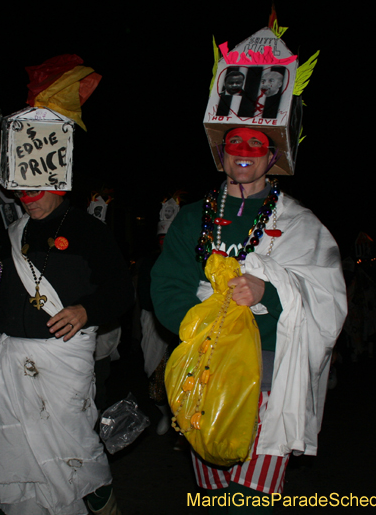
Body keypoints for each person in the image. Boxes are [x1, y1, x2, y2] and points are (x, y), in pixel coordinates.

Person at [151, 127, 346, 512]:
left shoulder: (300, 224)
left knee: (251, 500)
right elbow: (168, 286)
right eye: (234, 142)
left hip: (272, 379)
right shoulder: (192, 219)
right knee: (215, 495)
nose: (244, 151)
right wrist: (211, 323)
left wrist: (269, 292)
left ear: (272, 156)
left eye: (256, 143)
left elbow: (327, 299)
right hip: (204, 375)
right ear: (220, 152)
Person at [0, 189, 133, 515]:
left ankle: (104, 505)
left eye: (35, 192)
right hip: (11, 363)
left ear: (57, 186)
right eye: (22, 193)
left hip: (63, 362)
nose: (27, 200)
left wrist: (86, 310)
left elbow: (121, 291)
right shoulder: (9, 233)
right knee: (18, 451)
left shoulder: (89, 231)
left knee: (75, 450)